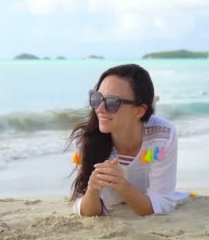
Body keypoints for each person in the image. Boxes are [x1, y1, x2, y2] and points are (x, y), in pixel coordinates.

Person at [68, 64, 189, 217]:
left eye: (112, 102)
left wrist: (122, 186)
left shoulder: (161, 136)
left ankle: (152, 102)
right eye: (96, 99)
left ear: (139, 111)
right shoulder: (86, 139)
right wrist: (92, 190)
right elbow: (86, 210)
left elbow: (161, 202)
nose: (99, 108)